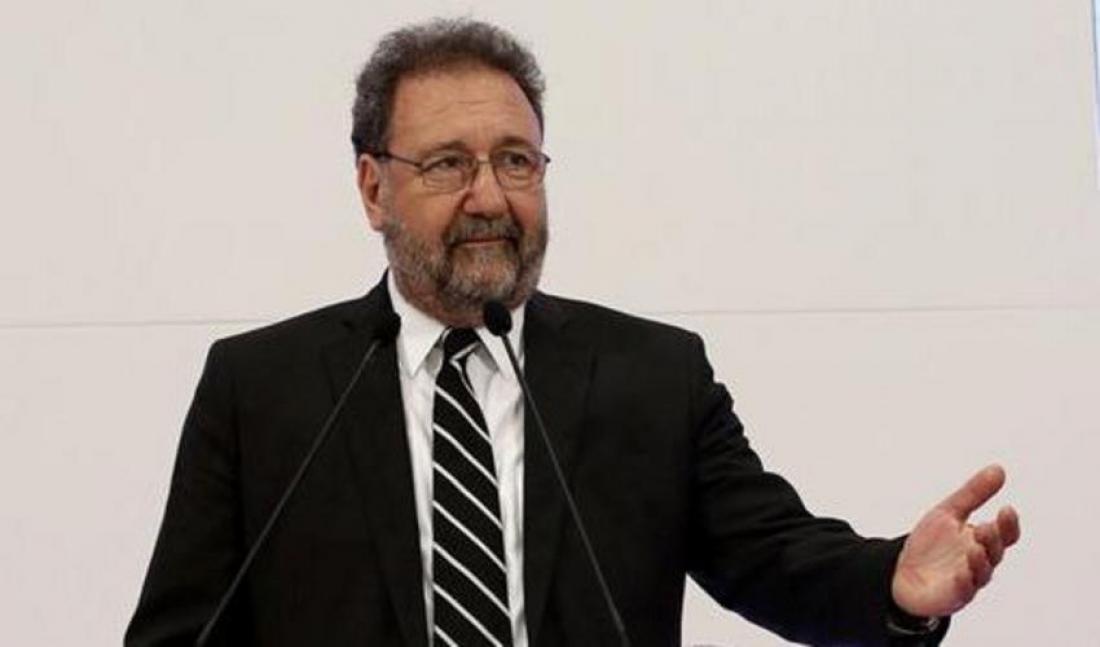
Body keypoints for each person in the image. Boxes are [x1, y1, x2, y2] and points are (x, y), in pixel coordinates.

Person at [126, 18, 1020, 647]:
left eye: (515, 161)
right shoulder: (262, 389)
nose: (489, 196)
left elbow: (775, 558)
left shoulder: (654, 376)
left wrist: (895, 584)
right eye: (448, 164)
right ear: (373, 188)